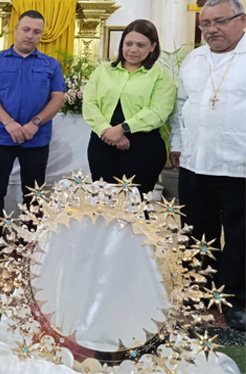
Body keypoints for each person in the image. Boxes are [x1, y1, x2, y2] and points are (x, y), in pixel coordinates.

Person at [169, 0, 246, 331]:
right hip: (195, 161)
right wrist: (176, 144)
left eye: (220, 21)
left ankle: (237, 298)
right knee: (198, 229)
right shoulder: (194, 59)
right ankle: (200, 287)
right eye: (205, 24)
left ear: (242, 21)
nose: (212, 29)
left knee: (241, 235)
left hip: (239, 164)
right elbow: (181, 104)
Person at [0, 10, 65, 252]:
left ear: (41, 35)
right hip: (0, 135)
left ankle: (30, 242)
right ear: (15, 29)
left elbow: (58, 98)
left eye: (36, 32)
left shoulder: (51, 64)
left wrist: (33, 124)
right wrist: (9, 123)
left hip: (36, 139)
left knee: (34, 191)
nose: (30, 35)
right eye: (26, 29)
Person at [82, 20, 176, 195]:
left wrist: (123, 129)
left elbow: (158, 111)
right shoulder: (103, 71)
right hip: (103, 143)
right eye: (128, 43)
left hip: (143, 146)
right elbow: (89, 103)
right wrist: (107, 131)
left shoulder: (160, 76)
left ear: (153, 46)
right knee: (105, 202)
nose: (133, 50)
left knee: (136, 204)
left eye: (141, 45)